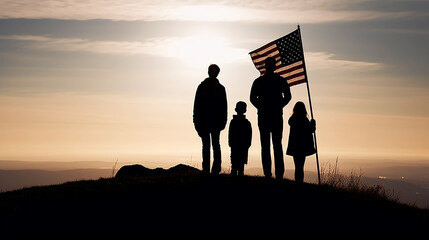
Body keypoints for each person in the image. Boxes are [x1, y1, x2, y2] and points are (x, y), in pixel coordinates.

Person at [250, 57, 291, 179]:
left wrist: (261, 107)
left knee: (267, 145)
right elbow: (288, 96)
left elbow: (252, 98)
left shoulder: (259, 81)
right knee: (276, 145)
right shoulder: (280, 80)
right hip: (274, 115)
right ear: (274, 66)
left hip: (266, 116)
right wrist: (279, 106)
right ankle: (277, 174)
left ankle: (268, 173)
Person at [193, 64, 228, 175]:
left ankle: (210, 169)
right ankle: (211, 170)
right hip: (209, 121)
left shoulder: (207, 87)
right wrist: (196, 120)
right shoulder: (207, 87)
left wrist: (223, 121)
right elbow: (197, 106)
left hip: (211, 121)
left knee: (210, 145)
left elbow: (223, 106)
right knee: (212, 145)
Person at [286, 101, 316, 184]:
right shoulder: (304, 120)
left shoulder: (292, 120)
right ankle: (300, 183)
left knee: (297, 166)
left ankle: (298, 182)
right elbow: (310, 130)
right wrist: (313, 124)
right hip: (303, 146)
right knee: (300, 166)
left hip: (295, 146)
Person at [228, 101, 252, 177]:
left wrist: (231, 143)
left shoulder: (233, 122)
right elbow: (249, 136)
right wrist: (247, 144)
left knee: (235, 164)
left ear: (236, 109)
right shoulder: (247, 123)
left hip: (235, 145)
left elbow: (230, 134)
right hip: (242, 146)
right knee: (240, 164)